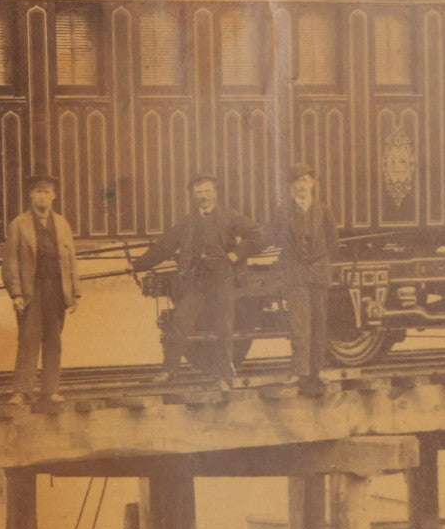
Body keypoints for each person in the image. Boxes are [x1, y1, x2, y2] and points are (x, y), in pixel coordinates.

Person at [131, 174, 260, 391]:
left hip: (223, 280)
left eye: (207, 191)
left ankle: (223, 377)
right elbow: (164, 247)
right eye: (199, 192)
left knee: (224, 327)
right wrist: (138, 264)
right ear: (193, 195)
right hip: (197, 283)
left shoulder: (230, 216)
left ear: (215, 193)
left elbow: (256, 233)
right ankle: (169, 370)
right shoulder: (187, 222)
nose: (203, 196)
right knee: (180, 323)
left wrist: (236, 255)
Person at [1, 174, 80, 406]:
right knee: (28, 339)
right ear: (30, 195)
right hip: (30, 291)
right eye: (38, 191)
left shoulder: (63, 224)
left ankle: (50, 390)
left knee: (54, 340)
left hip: (56, 291)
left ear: (54, 195)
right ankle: (22, 391)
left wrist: (75, 292)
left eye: (46, 192)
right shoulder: (18, 224)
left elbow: (71, 260)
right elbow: (10, 263)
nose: (42, 196)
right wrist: (16, 293)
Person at [264, 164, 340, 385]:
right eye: (297, 181)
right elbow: (273, 237)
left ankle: (315, 373)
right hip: (295, 274)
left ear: (313, 184)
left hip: (318, 273)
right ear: (292, 186)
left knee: (319, 323)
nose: (302, 186)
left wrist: (322, 265)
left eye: (305, 181)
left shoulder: (324, 211)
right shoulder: (283, 212)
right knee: (300, 324)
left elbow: (333, 243)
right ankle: (300, 371)